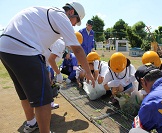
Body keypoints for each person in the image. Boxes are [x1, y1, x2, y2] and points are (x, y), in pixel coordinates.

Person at [0, 2, 95, 133]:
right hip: (24, 48)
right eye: (76, 21)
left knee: (24, 93)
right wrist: (88, 72)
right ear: (71, 12)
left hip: (5, 48)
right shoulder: (61, 16)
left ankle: (31, 123)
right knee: (44, 100)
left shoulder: (46, 11)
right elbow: (77, 50)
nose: (74, 24)